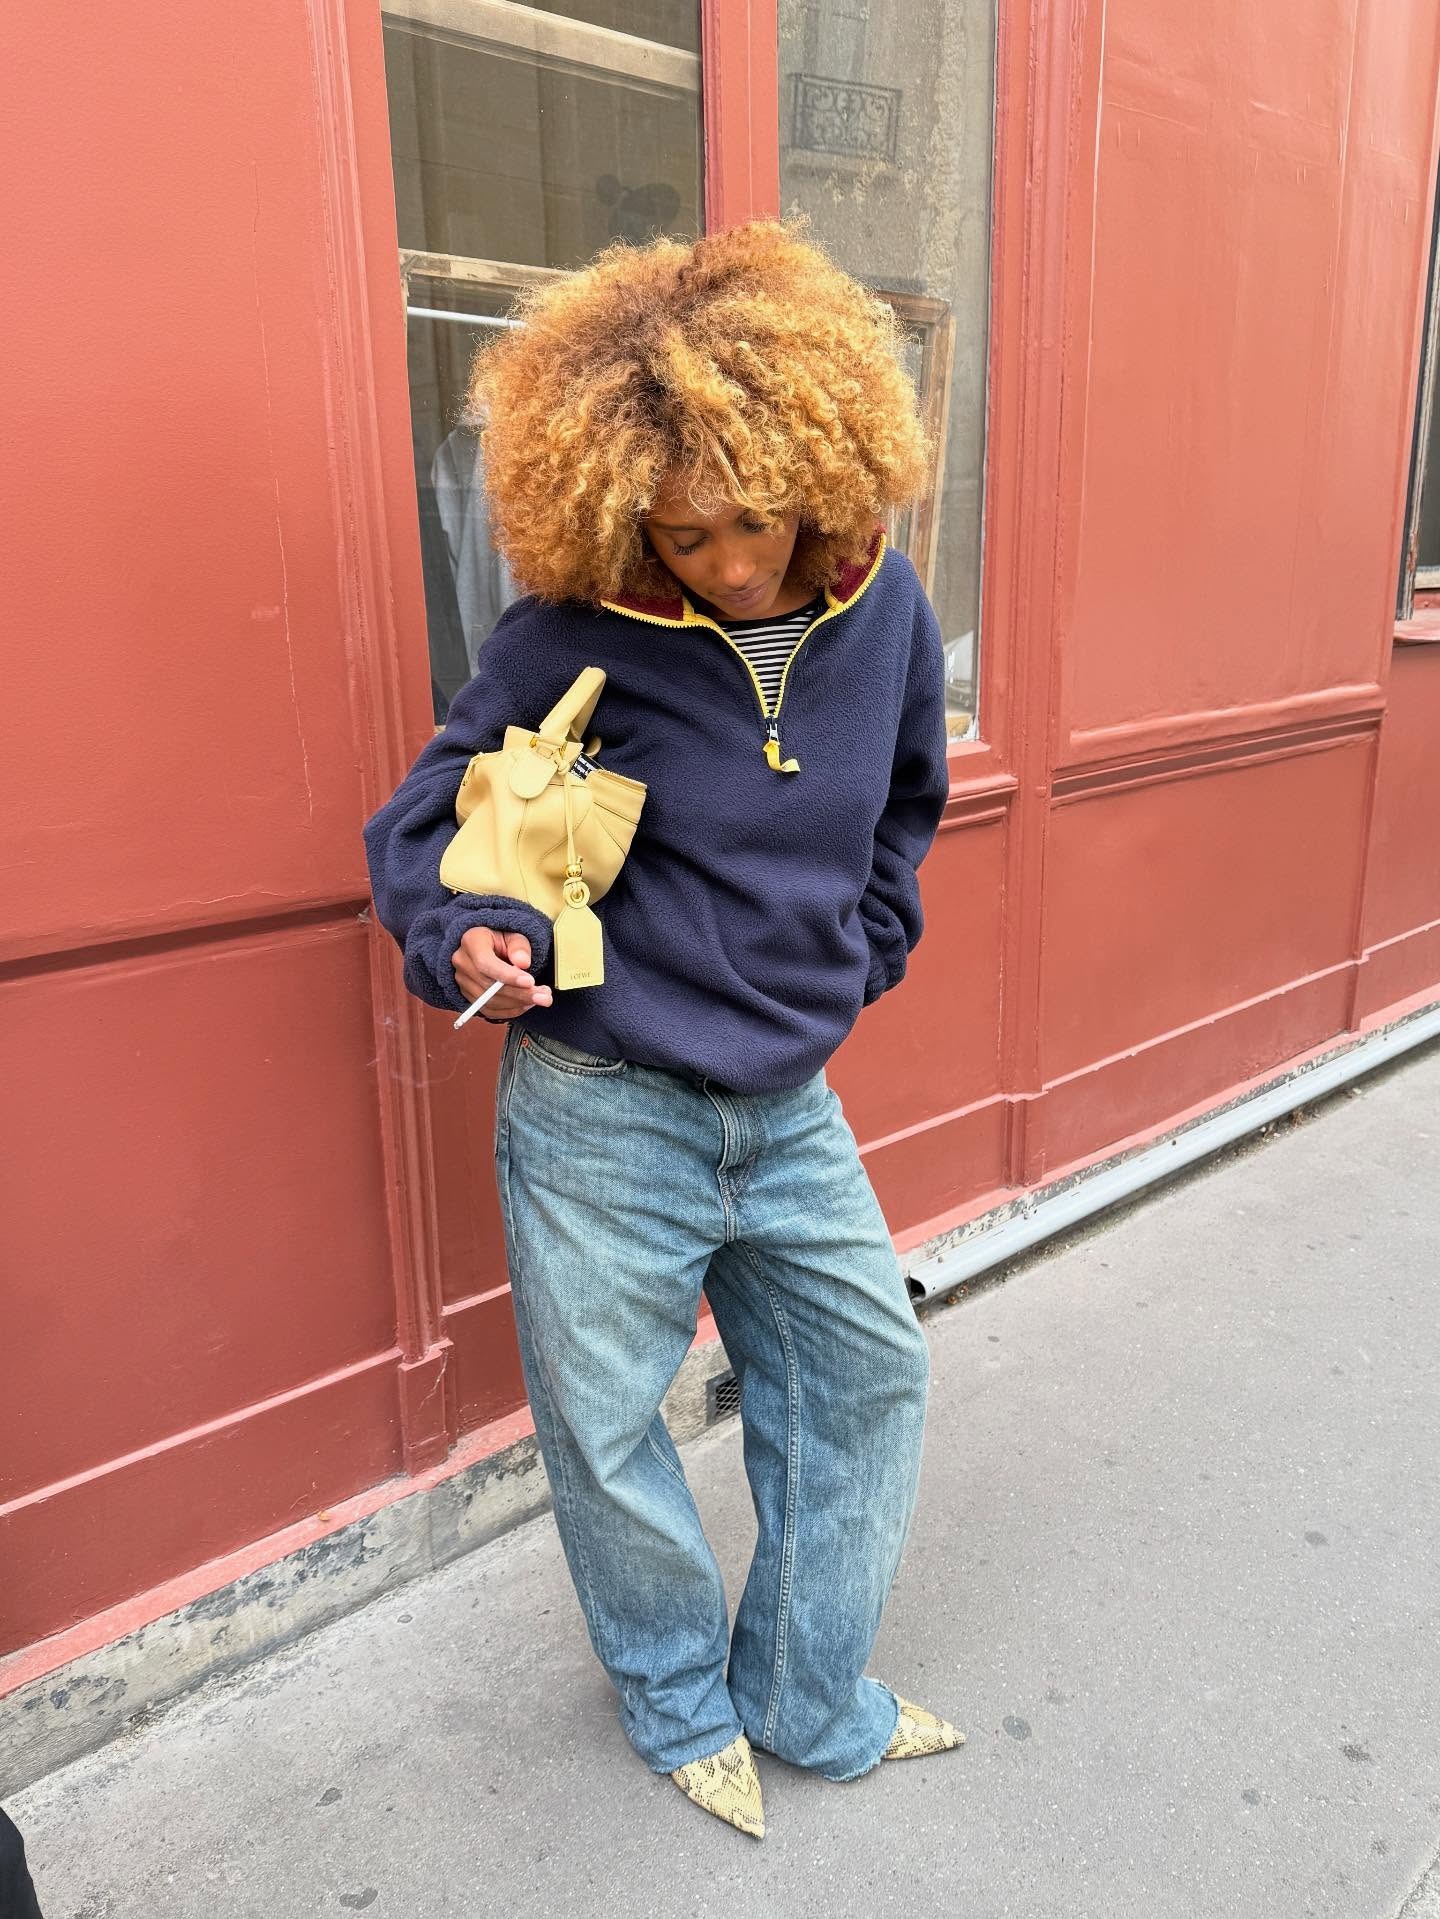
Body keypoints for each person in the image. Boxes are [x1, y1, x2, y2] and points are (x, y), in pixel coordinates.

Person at [364, 221, 960, 1839]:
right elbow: (423, 819)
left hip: (788, 1101)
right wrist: (463, 926)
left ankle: (804, 1690)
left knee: (865, 1376)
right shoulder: (579, 624)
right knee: (610, 1427)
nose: (733, 562)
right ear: (629, 502)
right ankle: (679, 1700)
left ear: (822, 470)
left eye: (756, 519)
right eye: (688, 534)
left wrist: (864, 946)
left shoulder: (884, 605)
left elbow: (909, 803)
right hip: (597, 1104)